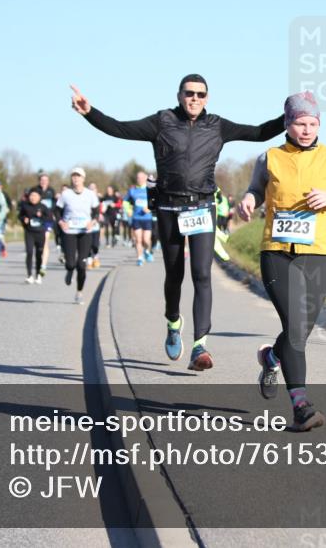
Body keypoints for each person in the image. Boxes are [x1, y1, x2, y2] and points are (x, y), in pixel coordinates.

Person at [71, 74, 284, 370]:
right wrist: (89, 113)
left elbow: (260, 132)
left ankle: (200, 346)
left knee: (202, 275)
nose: (194, 98)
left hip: (202, 207)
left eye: (200, 94)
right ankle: (173, 321)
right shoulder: (162, 121)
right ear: (179, 95)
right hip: (170, 208)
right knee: (174, 275)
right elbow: (120, 128)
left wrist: (291, 116)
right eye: (189, 93)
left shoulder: (217, 126)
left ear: (207, 98)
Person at [237, 92, 326, 432]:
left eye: (312, 123)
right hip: (276, 251)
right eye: (299, 123)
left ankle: (271, 358)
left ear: (319, 124)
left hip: (321, 253)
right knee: (295, 328)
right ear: (287, 124)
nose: (306, 130)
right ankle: (301, 407)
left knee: (301, 329)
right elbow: (255, 190)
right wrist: (248, 201)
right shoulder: (270, 157)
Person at [56, 167, 100, 305]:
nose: (76, 178)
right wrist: (61, 222)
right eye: (74, 176)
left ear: (83, 178)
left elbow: (96, 211)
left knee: (81, 265)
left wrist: (92, 222)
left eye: (78, 176)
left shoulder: (90, 194)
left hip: (85, 232)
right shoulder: (66, 194)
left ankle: (79, 292)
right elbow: (57, 211)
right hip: (69, 231)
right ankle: (69, 270)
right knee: (70, 263)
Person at [19, 187, 52, 284]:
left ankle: (38, 274)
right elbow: (20, 216)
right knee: (29, 252)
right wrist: (24, 219)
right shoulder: (25, 206)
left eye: (35, 196)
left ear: (39, 197)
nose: (33, 198)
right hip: (29, 232)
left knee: (39, 254)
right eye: (31, 195)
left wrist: (41, 216)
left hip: (40, 233)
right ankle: (29, 275)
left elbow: (50, 218)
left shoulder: (43, 207)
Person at [126, 170, 155, 266]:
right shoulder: (132, 190)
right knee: (138, 240)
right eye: (138, 177)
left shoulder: (149, 189)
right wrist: (129, 211)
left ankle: (147, 251)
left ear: (145, 178)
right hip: (136, 218)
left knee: (146, 240)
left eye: (142, 177)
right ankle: (139, 258)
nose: (140, 179)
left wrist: (150, 208)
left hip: (147, 218)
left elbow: (155, 201)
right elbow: (125, 202)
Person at [33, 172, 57, 276]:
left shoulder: (51, 191)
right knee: (38, 245)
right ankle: (39, 262)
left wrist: (54, 214)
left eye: (45, 180)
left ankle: (43, 265)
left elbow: (55, 205)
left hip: (47, 220)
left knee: (45, 241)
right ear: (39, 181)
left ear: (48, 181)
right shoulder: (35, 190)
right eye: (42, 180)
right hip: (37, 221)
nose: (44, 182)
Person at [88, 181, 102, 269]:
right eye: (90, 188)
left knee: (95, 244)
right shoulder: (84, 198)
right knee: (87, 244)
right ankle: (89, 261)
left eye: (93, 188)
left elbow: (102, 210)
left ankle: (95, 257)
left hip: (96, 225)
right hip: (86, 225)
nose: (92, 190)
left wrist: (101, 215)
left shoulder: (99, 199)